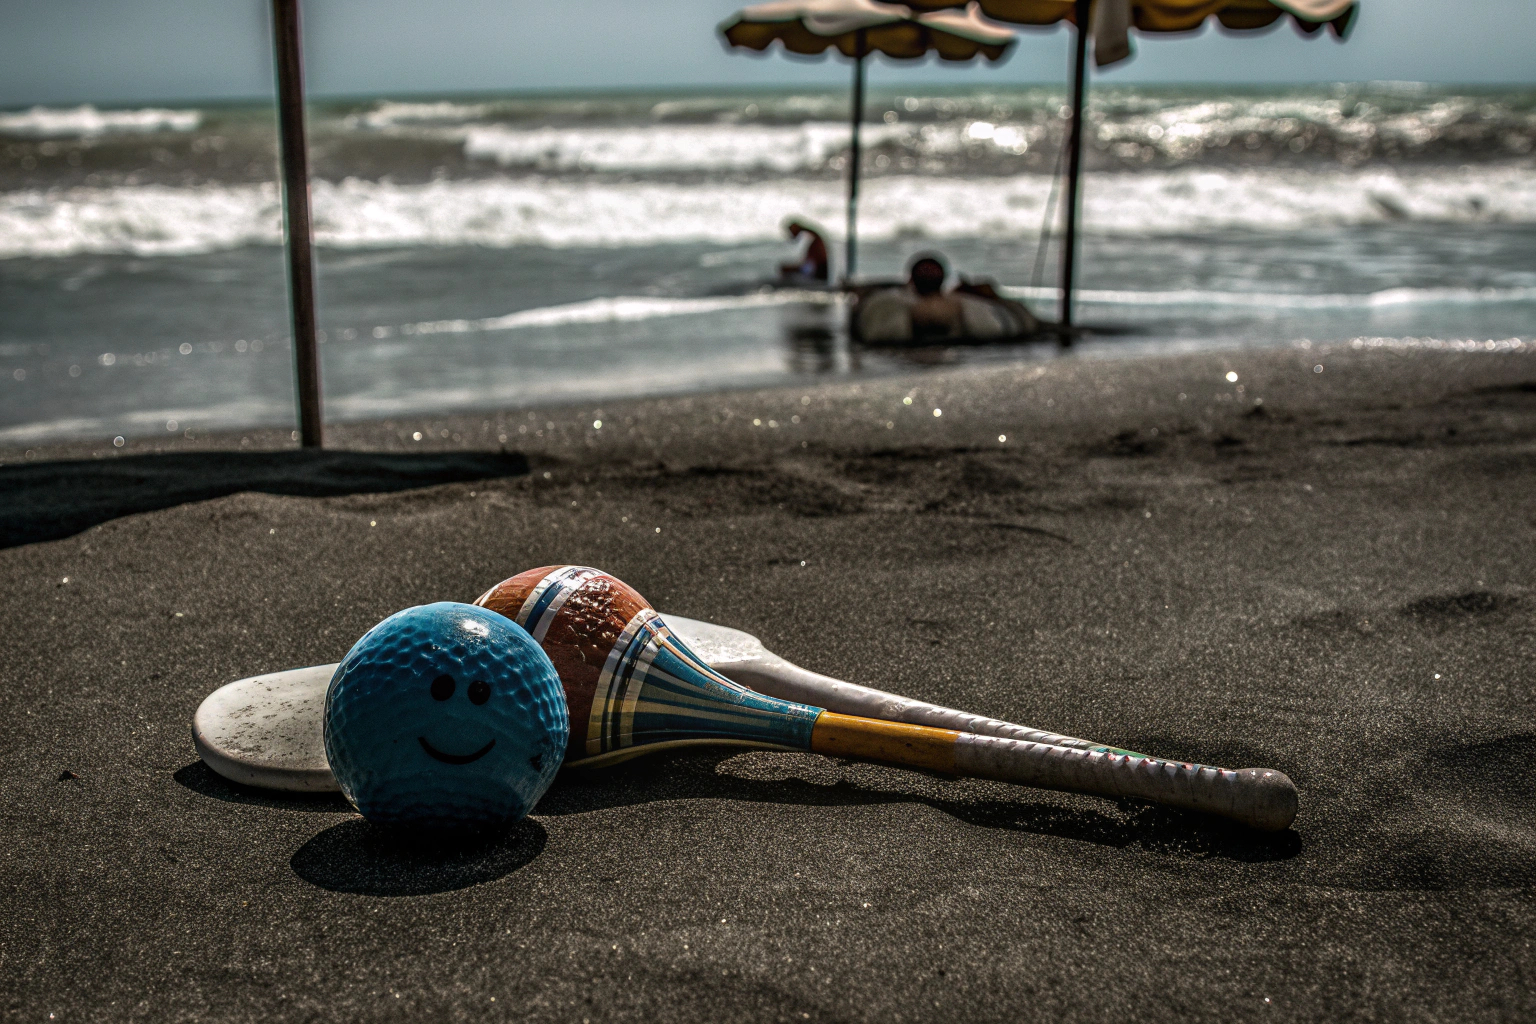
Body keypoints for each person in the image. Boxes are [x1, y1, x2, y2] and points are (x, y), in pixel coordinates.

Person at [854, 252, 1039, 344]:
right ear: (944, 279)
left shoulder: (885, 309)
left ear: (910, 280)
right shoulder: (972, 308)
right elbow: (1024, 321)